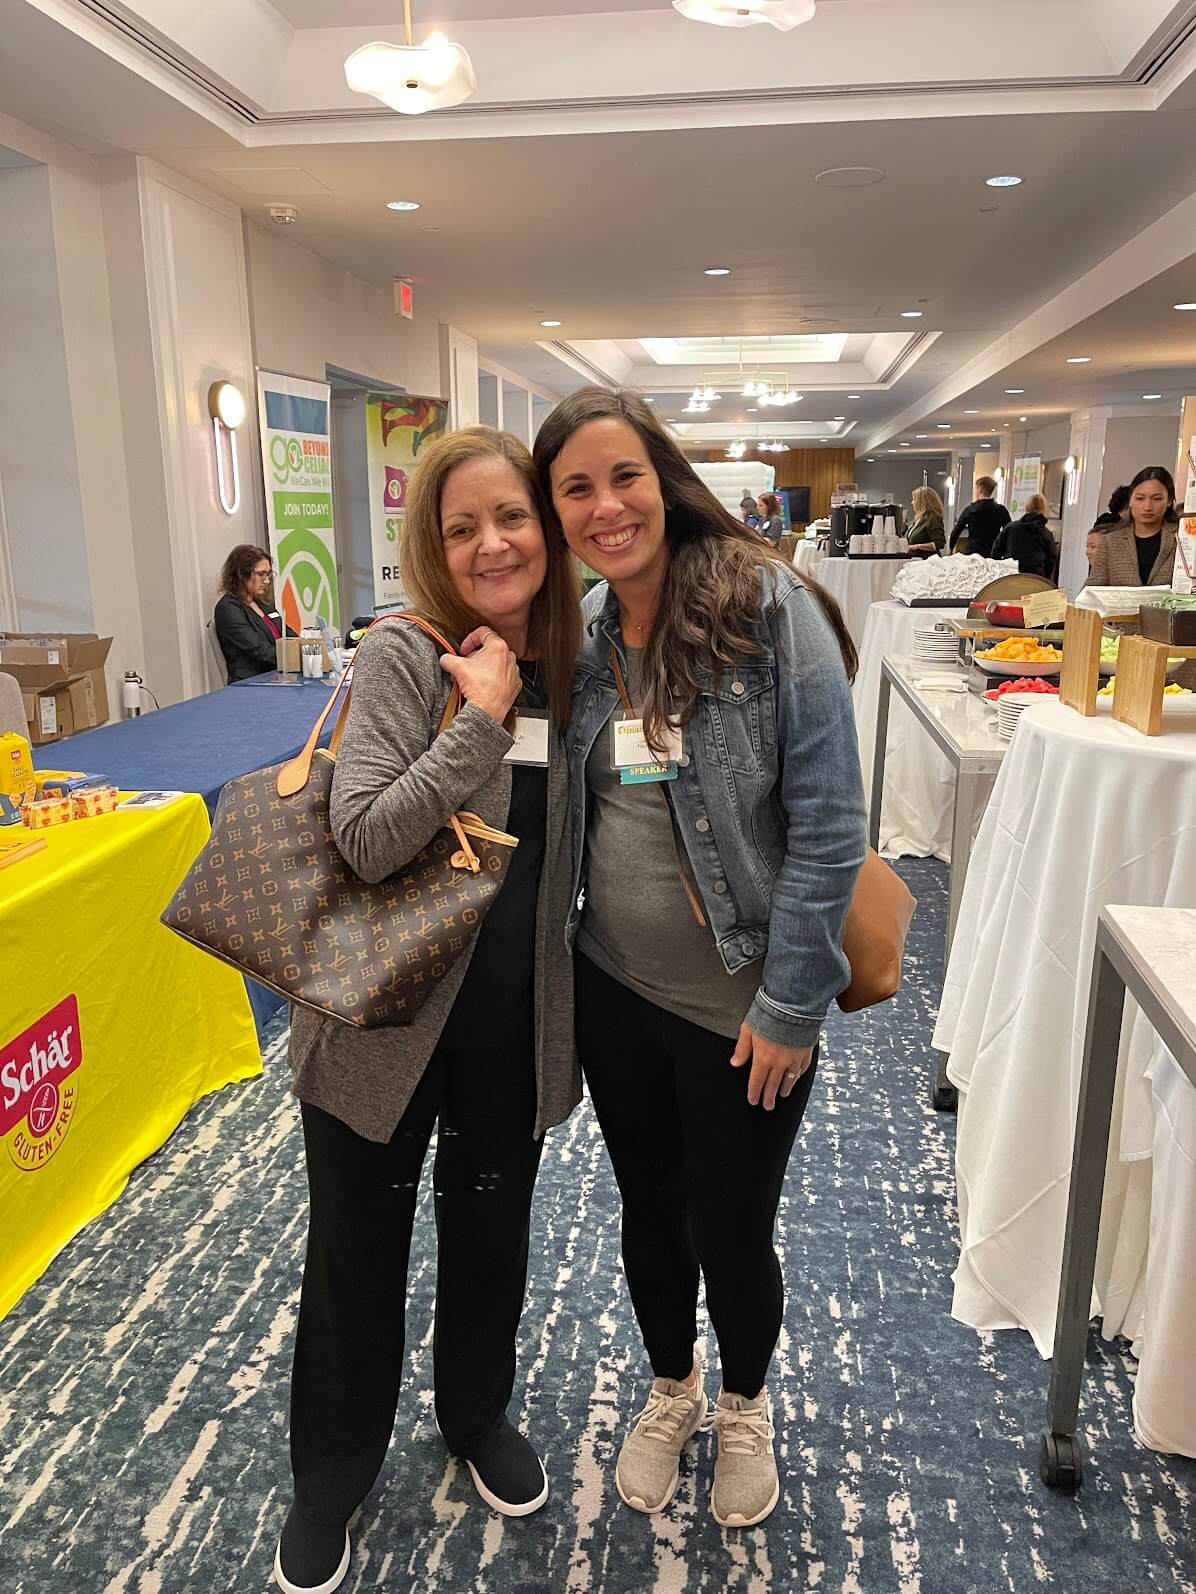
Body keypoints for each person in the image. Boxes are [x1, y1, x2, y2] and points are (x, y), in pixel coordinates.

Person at [533, 388, 866, 1531]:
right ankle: (671, 1386)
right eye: (575, 488)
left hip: (743, 1004)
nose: (605, 506)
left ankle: (744, 1401)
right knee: (648, 1206)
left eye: (621, 475)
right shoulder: (582, 632)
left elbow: (831, 825)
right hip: (614, 987)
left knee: (730, 1223)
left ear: (662, 478)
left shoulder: (765, 607)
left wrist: (790, 1003)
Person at [274, 427, 581, 1594]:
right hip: (380, 1020)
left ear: (543, 530)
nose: (490, 543)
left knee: (491, 1233)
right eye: (461, 528)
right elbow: (363, 837)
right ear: (432, 548)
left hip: (506, 1020)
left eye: (510, 517)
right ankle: (330, 1477)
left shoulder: (573, 665)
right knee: (357, 1250)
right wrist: (478, 721)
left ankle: (473, 1412)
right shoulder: (408, 654)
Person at [1086, 466, 1180, 588]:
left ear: (1169, 501)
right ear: (1130, 500)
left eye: (1157, 499)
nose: (1147, 506)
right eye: (1140, 498)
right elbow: (1094, 589)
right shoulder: (1110, 542)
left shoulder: (1182, 538)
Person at [213, 545, 283, 681]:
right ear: (242, 575)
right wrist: (294, 657)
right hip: (253, 682)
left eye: (268, 574)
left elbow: (288, 634)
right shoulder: (228, 609)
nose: (267, 581)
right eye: (261, 574)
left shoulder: (264, 604)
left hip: (277, 676)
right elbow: (259, 650)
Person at [992, 493, 1056, 577]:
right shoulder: (1046, 533)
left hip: (1011, 574)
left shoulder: (1011, 527)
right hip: (1035, 577)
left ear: (1027, 507)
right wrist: (1044, 578)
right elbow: (1051, 560)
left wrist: (1001, 570)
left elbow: (995, 551)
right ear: (1044, 509)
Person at [948, 476, 1010, 556]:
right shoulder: (1001, 510)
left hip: (973, 551)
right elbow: (1009, 530)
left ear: (979, 489)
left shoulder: (970, 510)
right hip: (993, 552)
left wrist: (951, 548)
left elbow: (956, 531)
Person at [904, 486, 947, 553]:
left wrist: (917, 546)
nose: (912, 502)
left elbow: (939, 543)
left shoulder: (933, 518)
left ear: (922, 502)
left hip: (926, 558)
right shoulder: (917, 520)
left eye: (914, 499)